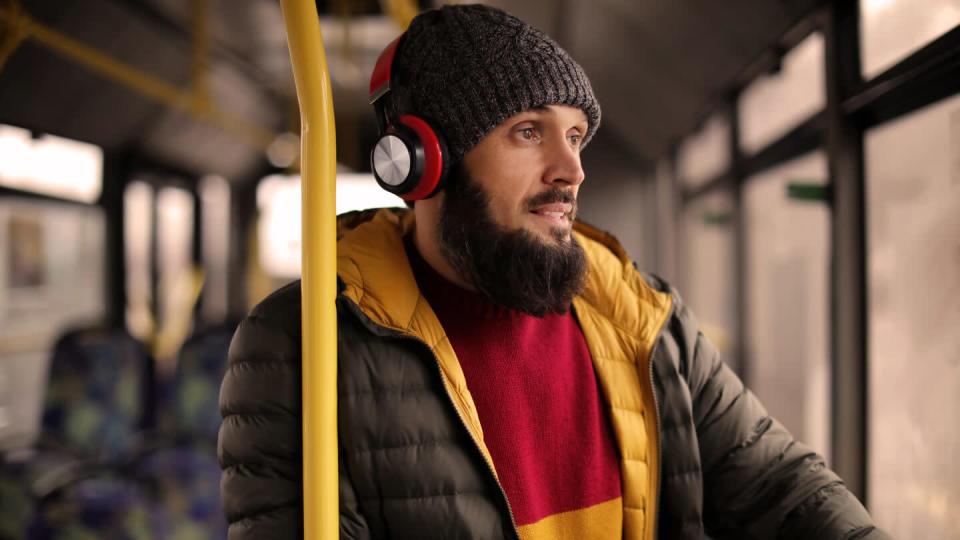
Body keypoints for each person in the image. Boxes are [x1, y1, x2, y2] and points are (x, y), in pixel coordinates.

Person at [218, 4, 889, 539]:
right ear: (422, 163)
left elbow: (778, 486)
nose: (572, 171)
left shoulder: (642, 318)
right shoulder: (299, 346)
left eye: (575, 136)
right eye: (529, 132)